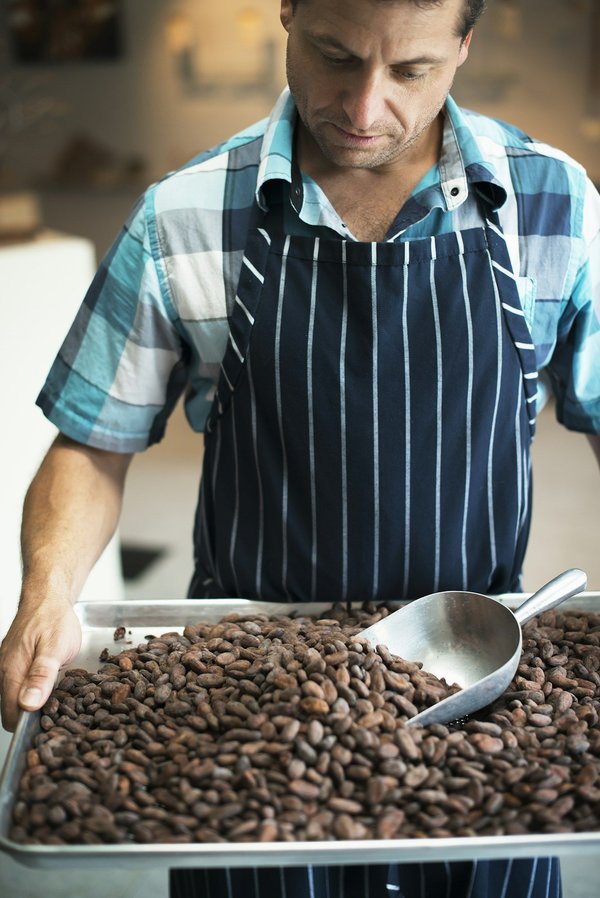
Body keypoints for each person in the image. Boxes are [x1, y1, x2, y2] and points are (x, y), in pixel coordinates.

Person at [1, 0, 599, 894]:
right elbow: (91, 445)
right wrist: (45, 598)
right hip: (243, 700)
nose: (364, 109)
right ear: (287, 13)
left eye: (412, 72)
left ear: (464, 46)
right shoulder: (186, 214)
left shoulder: (554, 204)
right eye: (333, 55)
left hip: (480, 682)